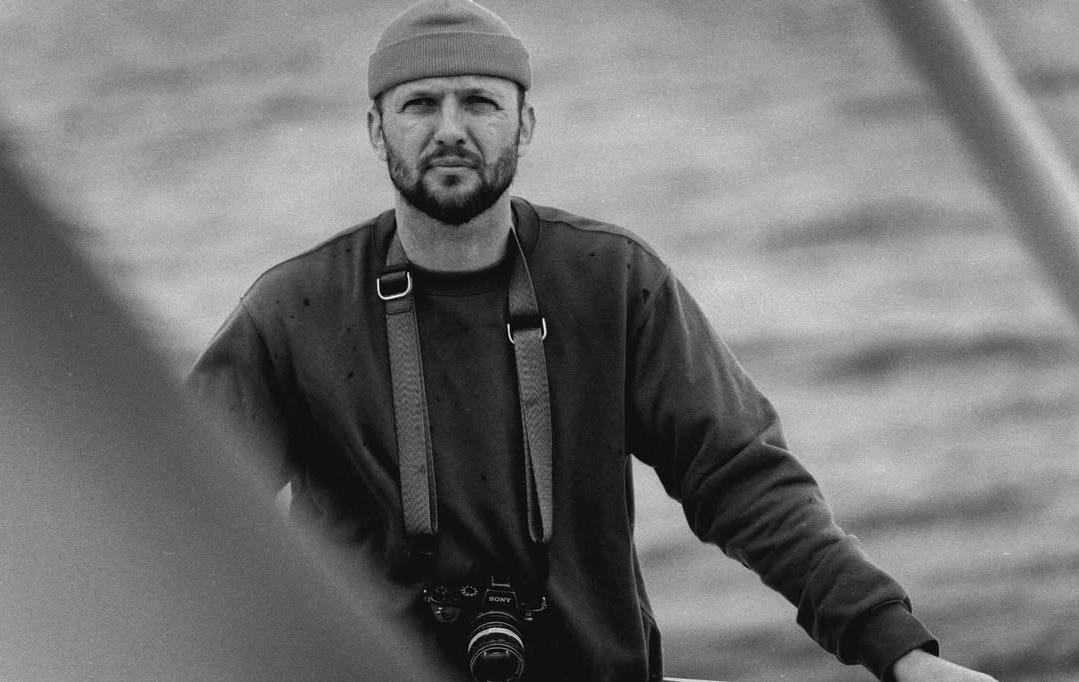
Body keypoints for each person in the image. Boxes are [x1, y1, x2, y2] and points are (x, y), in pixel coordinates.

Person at [185, 1, 1000, 681]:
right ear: (375, 129)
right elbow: (176, 507)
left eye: (479, 102)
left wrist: (898, 651)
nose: (450, 128)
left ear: (525, 124)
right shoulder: (293, 309)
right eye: (419, 104)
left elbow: (742, 480)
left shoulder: (610, 280)